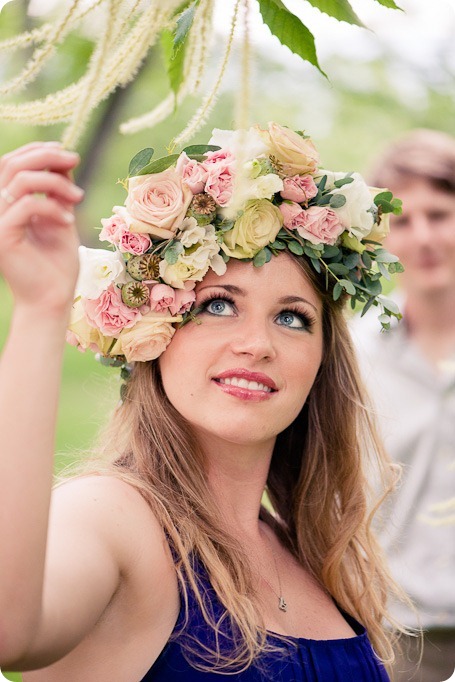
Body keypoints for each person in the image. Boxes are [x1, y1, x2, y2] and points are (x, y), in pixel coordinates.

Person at [0, 124, 404, 682]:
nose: (257, 344)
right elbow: (8, 631)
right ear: (155, 330)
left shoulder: (312, 555)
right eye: (217, 305)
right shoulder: (112, 518)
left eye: (292, 317)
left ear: (320, 363)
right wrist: (42, 309)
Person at [351, 128, 455, 682]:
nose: (423, 238)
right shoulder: (352, 356)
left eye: (439, 214)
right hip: (395, 637)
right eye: (402, 221)